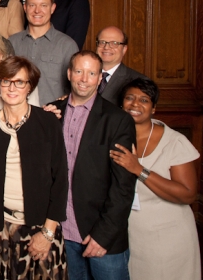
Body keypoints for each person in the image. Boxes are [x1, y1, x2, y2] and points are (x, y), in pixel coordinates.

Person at [0, 56, 69, 279]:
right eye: (6, 81)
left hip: (41, 228)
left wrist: (47, 233)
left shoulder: (48, 123)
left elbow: (60, 181)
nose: (11, 88)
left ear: (30, 87)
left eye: (19, 82)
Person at [52, 51, 136, 280]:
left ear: (100, 78)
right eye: (79, 71)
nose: (84, 78)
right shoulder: (51, 113)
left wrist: (105, 234)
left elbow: (124, 186)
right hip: (62, 231)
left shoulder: (118, 120)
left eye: (91, 73)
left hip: (100, 234)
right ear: (69, 74)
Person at [109, 78, 200, 280]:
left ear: (153, 109)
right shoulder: (112, 136)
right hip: (129, 235)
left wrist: (139, 169)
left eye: (144, 100)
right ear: (121, 104)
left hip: (167, 238)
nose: (135, 104)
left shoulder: (174, 141)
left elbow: (187, 194)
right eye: (129, 98)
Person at [10, 0, 78, 106]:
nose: (37, 10)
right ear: (25, 8)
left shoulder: (67, 45)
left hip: (52, 119)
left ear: (52, 8)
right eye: (32, 5)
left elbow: (75, 90)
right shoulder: (11, 42)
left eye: (43, 5)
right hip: (16, 117)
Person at [95, 26, 148, 106]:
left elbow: (142, 116)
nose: (106, 47)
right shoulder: (81, 75)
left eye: (114, 43)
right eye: (102, 42)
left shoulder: (139, 81)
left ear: (124, 49)